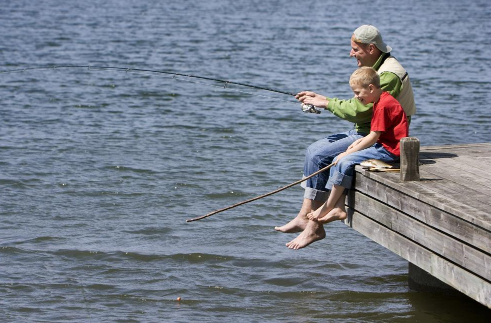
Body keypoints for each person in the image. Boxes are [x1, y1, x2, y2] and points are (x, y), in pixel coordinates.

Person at [275, 25, 416, 248]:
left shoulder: (388, 75)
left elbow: (360, 110)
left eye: (355, 49)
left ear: (371, 48)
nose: (351, 54)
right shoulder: (374, 70)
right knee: (314, 151)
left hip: (379, 137)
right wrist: (322, 98)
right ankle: (304, 217)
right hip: (365, 130)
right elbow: (360, 105)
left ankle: (313, 227)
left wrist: (327, 103)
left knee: (322, 155)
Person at [287, 67, 408, 249]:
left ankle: (328, 206)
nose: (356, 97)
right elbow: (373, 136)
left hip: (391, 150)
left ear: (371, 88)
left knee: (344, 161)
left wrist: (348, 152)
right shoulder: (378, 100)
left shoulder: (383, 104)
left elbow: (373, 137)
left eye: (358, 93)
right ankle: (339, 207)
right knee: (340, 158)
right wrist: (352, 147)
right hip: (383, 144)